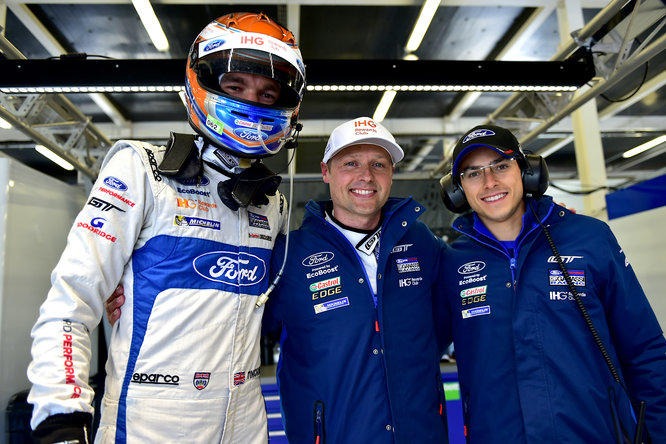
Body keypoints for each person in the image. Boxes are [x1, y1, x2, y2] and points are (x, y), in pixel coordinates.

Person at [27, 12, 305, 444]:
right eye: (235, 86)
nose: (253, 103)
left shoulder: (274, 203)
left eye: (269, 93)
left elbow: (271, 312)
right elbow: (71, 300)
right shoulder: (142, 170)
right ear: (201, 82)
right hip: (148, 423)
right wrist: (61, 414)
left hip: (246, 422)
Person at [437, 124, 666, 443]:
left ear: (526, 171)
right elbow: (412, 352)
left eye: (501, 166)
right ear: (457, 189)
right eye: (473, 173)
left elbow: (644, 349)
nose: (490, 183)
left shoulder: (590, 238)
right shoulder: (450, 263)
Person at [262, 117, 449, 442]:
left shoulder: (420, 241)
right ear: (326, 172)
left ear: (391, 174)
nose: (366, 176)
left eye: (379, 164)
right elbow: (237, 334)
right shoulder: (290, 254)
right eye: (351, 163)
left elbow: (465, 290)